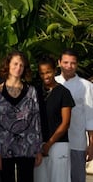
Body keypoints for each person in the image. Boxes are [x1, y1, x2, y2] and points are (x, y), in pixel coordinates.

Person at [0, 50, 42, 182]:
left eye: (21, 65)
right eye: (15, 64)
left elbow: (36, 122)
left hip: (27, 148)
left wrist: (38, 149)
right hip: (4, 149)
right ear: (8, 65)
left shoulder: (31, 92)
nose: (18, 68)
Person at [34, 55, 74, 182]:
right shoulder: (35, 91)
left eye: (48, 72)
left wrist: (49, 143)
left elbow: (66, 123)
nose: (46, 76)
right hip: (39, 146)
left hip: (59, 145)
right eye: (42, 73)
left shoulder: (64, 92)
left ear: (55, 70)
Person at [55, 49, 93, 182]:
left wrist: (91, 144)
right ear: (59, 63)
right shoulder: (52, 83)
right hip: (55, 142)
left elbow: (90, 117)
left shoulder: (86, 86)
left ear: (76, 65)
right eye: (65, 62)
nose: (69, 66)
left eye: (72, 63)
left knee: (77, 178)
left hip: (77, 142)